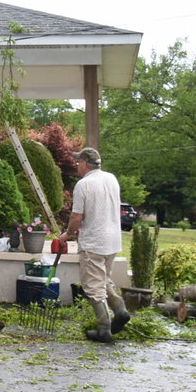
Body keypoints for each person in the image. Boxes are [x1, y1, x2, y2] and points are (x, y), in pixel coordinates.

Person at [64, 146, 129, 343]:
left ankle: (103, 329)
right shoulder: (111, 179)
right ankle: (120, 310)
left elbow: (76, 217)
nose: (76, 166)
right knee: (104, 280)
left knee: (93, 287)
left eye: (78, 162)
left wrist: (67, 234)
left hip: (93, 242)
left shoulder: (83, 184)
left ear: (84, 164)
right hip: (113, 240)